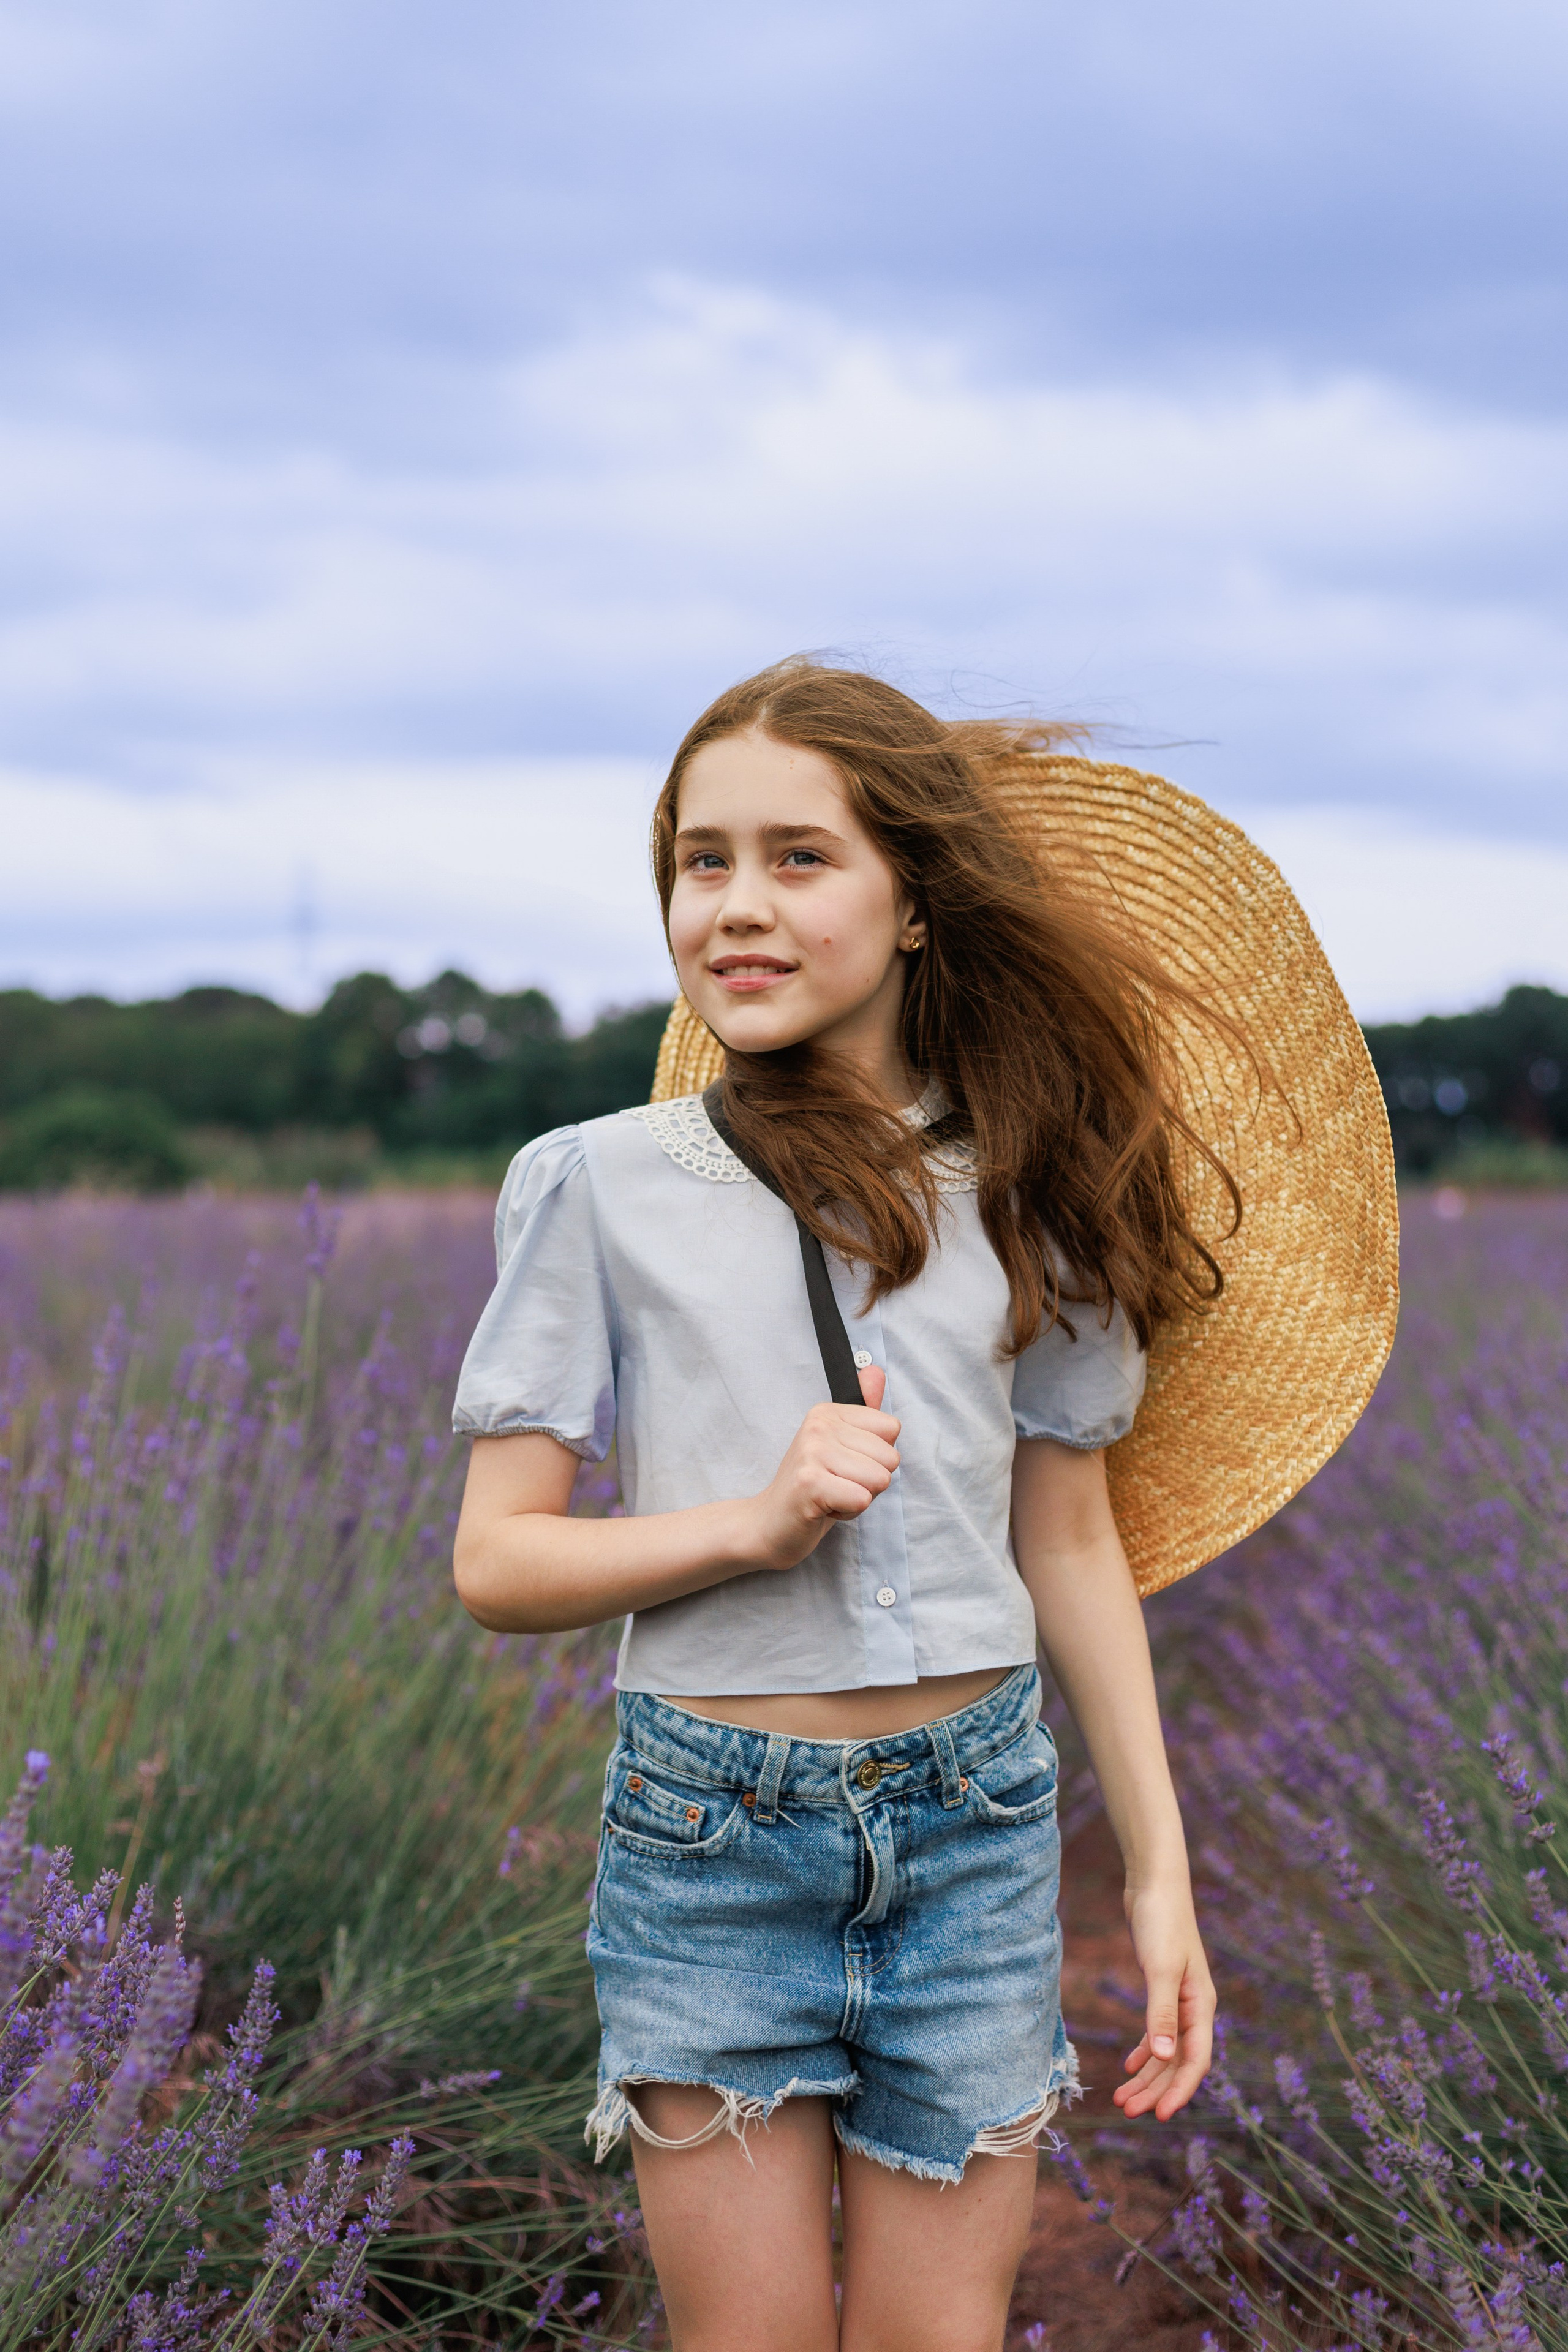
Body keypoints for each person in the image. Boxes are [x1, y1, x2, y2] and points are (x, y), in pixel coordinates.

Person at [451, 660, 1225, 2352]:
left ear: (917, 900)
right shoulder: (598, 1185)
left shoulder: (1043, 1191)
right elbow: (497, 1562)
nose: (735, 906)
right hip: (710, 1833)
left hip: (978, 1828)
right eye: (699, 860)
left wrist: (1159, 1877)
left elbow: (1071, 1544)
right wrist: (755, 1523)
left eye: (799, 858)